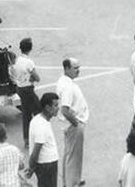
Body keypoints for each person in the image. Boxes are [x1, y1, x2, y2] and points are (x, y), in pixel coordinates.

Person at [56, 57, 88, 187]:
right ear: (67, 68)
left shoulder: (64, 81)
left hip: (69, 125)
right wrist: (76, 123)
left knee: (69, 154)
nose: (78, 70)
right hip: (73, 125)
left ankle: (69, 181)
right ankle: (72, 183)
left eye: (78, 67)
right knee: (74, 156)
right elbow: (65, 109)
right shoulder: (68, 86)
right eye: (75, 68)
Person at [26, 92, 60, 187]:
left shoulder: (37, 119)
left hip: (45, 164)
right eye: (55, 105)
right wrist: (31, 168)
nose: (58, 108)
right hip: (47, 165)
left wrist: (32, 167)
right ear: (47, 107)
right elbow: (36, 150)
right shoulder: (42, 126)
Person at [11, 37, 41, 147]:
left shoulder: (17, 61)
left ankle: (27, 139)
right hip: (28, 89)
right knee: (39, 113)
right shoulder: (29, 62)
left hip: (20, 88)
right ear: (30, 49)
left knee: (26, 114)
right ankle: (38, 136)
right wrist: (32, 78)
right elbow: (37, 78)